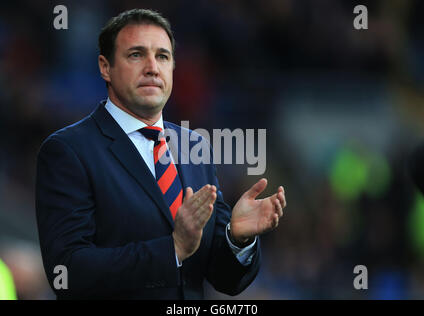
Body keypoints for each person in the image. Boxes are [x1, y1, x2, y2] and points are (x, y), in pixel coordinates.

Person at [35, 8, 286, 299]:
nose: (152, 67)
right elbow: (67, 272)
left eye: (163, 56)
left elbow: (225, 280)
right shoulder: (68, 151)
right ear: (106, 67)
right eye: (136, 55)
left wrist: (236, 238)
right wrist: (172, 249)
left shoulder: (194, 146)